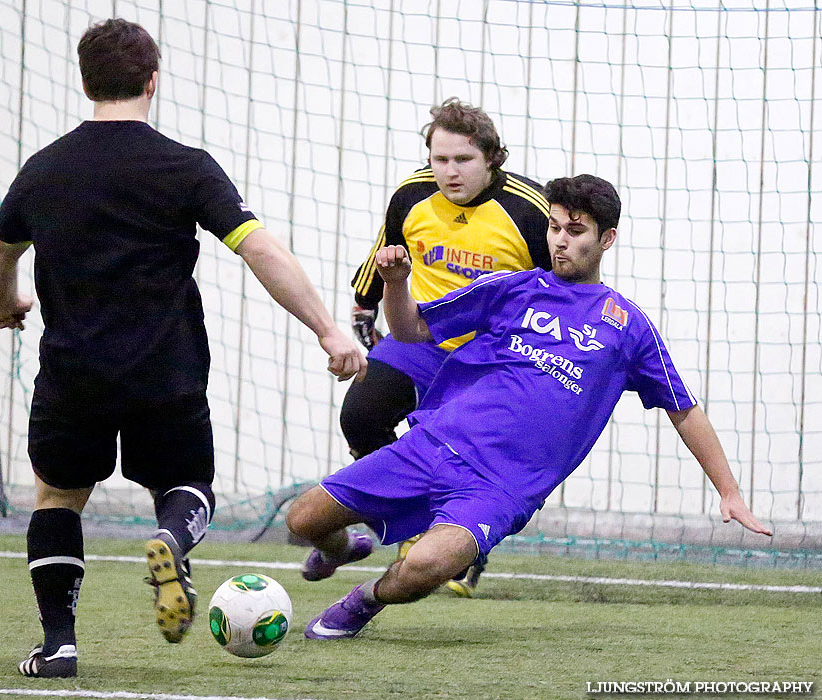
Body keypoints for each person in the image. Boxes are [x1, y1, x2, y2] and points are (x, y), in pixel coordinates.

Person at [0, 18, 364, 678]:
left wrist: (5, 300)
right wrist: (327, 331)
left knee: (57, 497)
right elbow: (260, 250)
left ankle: (61, 644)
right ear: (152, 80)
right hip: (166, 369)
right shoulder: (184, 167)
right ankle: (170, 538)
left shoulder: (43, 170)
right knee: (186, 485)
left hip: (74, 373)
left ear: (84, 82)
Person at [286, 173, 772, 641]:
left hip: (499, 486)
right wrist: (396, 283)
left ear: (607, 239)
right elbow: (412, 328)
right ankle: (345, 548)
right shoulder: (512, 289)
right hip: (431, 446)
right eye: (555, 228)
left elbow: (683, 408)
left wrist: (728, 492)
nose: (560, 241)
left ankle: (365, 600)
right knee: (302, 520)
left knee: (426, 567)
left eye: (575, 231)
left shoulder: (627, 326)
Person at [340, 97, 551, 596]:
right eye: (441, 159)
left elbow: (562, 279)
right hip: (421, 336)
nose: (450, 172)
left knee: (467, 455)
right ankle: (411, 527)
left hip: (490, 356)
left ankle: (465, 543)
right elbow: (388, 250)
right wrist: (364, 305)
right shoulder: (412, 195)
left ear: (491, 158)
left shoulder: (530, 210)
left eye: (463, 160)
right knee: (361, 417)